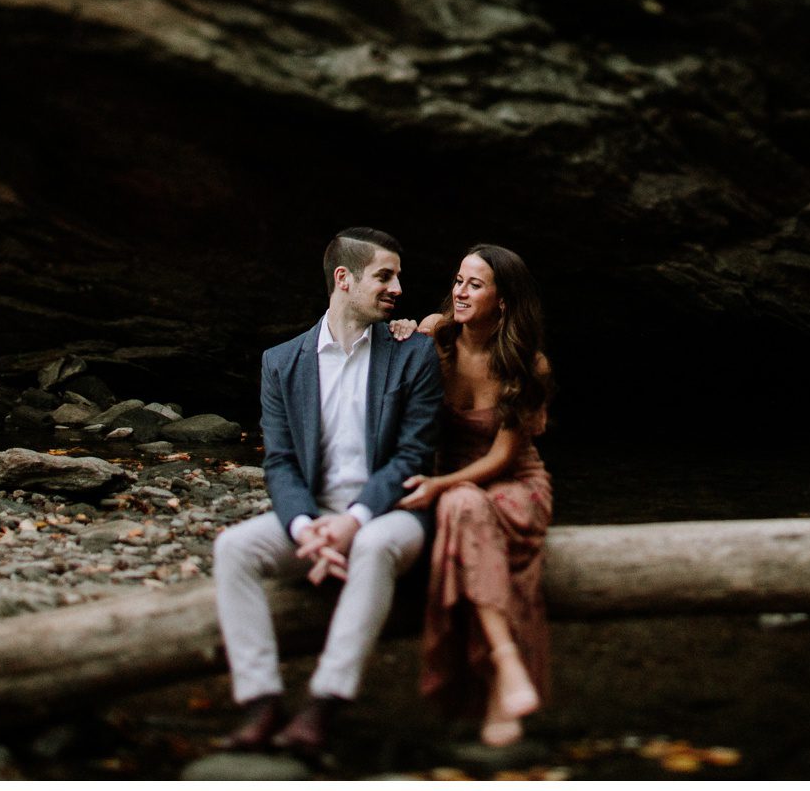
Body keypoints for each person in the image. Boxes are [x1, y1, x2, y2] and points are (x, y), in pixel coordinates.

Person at [212, 227, 443, 756]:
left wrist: (353, 521)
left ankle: (325, 703)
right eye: (385, 276)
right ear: (344, 278)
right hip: (313, 515)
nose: (398, 288)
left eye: (398, 277)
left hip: (391, 513)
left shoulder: (414, 355)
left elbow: (411, 457)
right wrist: (305, 529)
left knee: (373, 544)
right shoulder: (282, 361)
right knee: (233, 548)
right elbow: (282, 462)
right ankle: (261, 701)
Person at [389, 244, 555, 747]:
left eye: (475, 285)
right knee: (463, 506)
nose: (460, 292)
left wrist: (439, 485)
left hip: (513, 484)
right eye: (458, 280)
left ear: (503, 301)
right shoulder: (436, 337)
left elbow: (504, 458)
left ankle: (499, 670)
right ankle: (506, 672)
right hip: (460, 487)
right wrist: (404, 331)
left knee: (462, 504)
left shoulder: (529, 365)